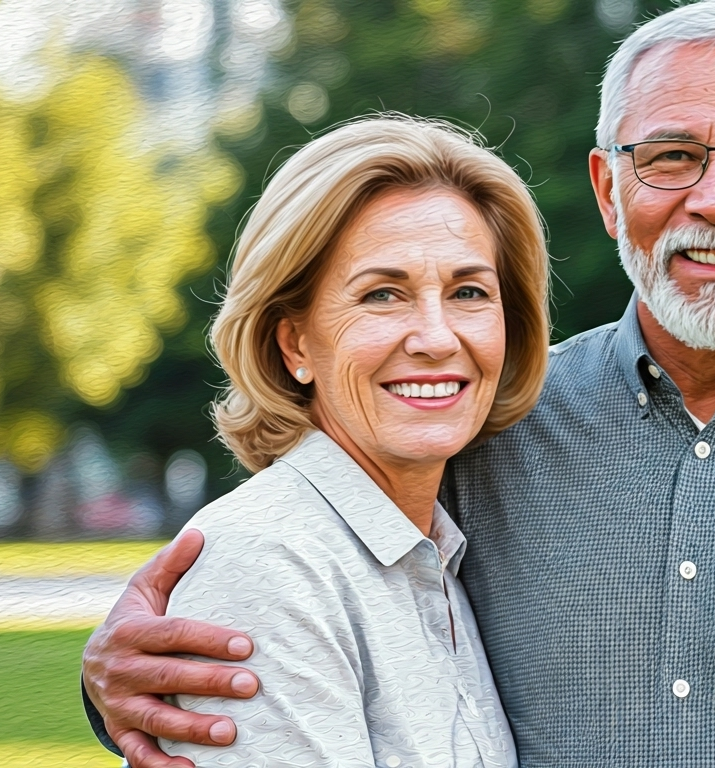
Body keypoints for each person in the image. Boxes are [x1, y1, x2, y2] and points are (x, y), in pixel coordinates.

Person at [82, 2, 715, 766]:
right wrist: (122, 680)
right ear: (608, 190)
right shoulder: (484, 430)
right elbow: (302, 592)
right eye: (670, 157)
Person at [106, 115, 550, 767]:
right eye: (382, 294)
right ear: (294, 344)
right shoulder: (269, 566)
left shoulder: (435, 553)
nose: (436, 338)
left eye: (468, 291)